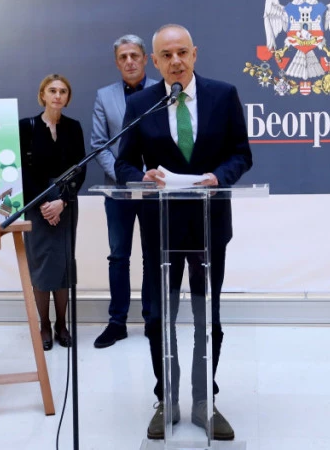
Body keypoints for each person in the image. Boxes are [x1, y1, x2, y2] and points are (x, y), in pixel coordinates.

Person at [116, 24, 252, 440]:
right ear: (154, 62)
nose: (175, 61)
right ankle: (167, 399)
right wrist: (141, 176)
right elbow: (123, 164)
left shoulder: (223, 95)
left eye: (181, 53)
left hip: (210, 226)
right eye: (166, 55)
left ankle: (204, 399)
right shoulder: (142, 103)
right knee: (160, 317)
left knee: (207, 317)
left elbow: (241, 154)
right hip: (162, 229)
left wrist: (219, 176)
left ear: (194, 54)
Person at [91, 34, 158, 349]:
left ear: (145, 59)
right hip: (118, 190)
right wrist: (127, 176)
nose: (129, 61)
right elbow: (99, 144)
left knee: (152, 256)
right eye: (123, 57)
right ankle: (117, 322)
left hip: (155, 189)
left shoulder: (163, 91)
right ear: (117, 63)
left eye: (134, 55)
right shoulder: (104, 96)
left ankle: (152, 319)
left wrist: (153, 177)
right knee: (119, 256)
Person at [19, 74, 86, 351]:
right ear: (42, 95)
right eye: (52, 90)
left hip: (66, 203)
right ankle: (44, 325)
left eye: (63, 91)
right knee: (41, 264)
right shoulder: (27, 126)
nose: (57, 95)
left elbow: (80, 168)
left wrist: (63, 202)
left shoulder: (74, 127)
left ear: (67, 98)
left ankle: (62, 324)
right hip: (37, 205)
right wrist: (44, 204)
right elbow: (22, 171)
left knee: (63, 263)